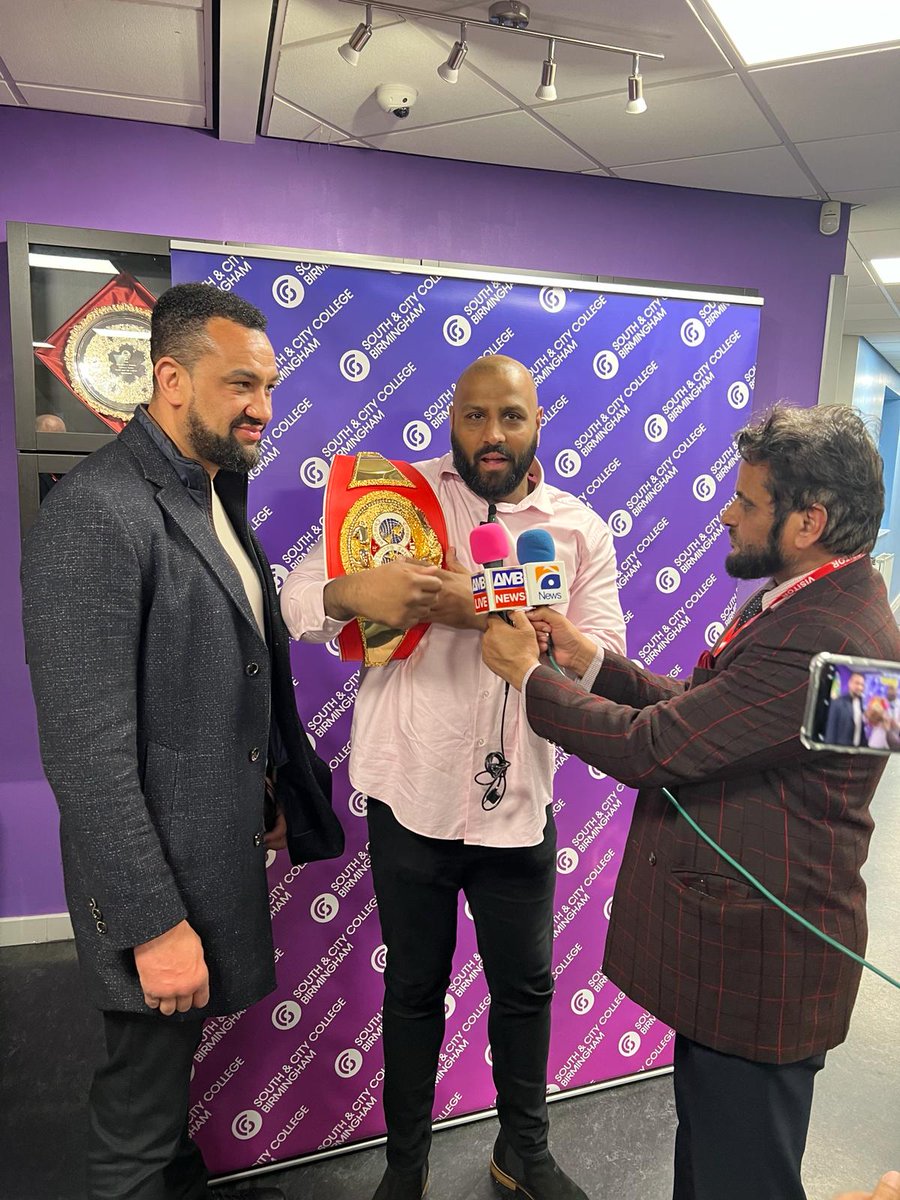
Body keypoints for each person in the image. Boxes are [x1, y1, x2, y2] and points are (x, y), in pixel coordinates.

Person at [480, 404, 900, 1200]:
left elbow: (654, 749)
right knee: (709, 1164)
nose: (726, 512)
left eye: (747, 502)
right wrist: (590, 660)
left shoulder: (827, 636)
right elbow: (719, 719)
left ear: (808, 521)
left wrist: (528, 677)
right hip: (748, 954)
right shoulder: (816, 602)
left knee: (740, 1178)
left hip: (766, 964)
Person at [21, 283, 343, 1200]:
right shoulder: (97, 514)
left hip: (210, 859)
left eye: (270, 385)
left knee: (165, 1106)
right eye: (241, 384)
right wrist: (154, 926)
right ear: (169, 378)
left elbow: (220, 677)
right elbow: (86, 757)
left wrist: (270, 791)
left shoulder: (209, 494)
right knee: (136, 1118)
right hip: (150, 890)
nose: (263, 408)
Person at [281, 355, 625, 1200]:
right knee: (413, 990)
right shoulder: (399, 500)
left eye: (510, 417)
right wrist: (354, 588)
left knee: (524, 991)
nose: (492, 436)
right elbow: (297, 602)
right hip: (413, 798)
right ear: (452, 419)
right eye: (474, 417)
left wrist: (481, 610)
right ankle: (405, 1169)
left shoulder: (576, 527)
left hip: (518, 812)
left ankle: (524, 1151)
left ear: (538, 420)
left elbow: (604, 661)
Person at [825, 672, 868, 746]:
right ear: (850, 683)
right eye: (857, 683)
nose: (860, 687)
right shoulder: (837, 703)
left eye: (862, 685)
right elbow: (831, 730)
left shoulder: (862, 705)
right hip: (840, 751)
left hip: (857, 752)